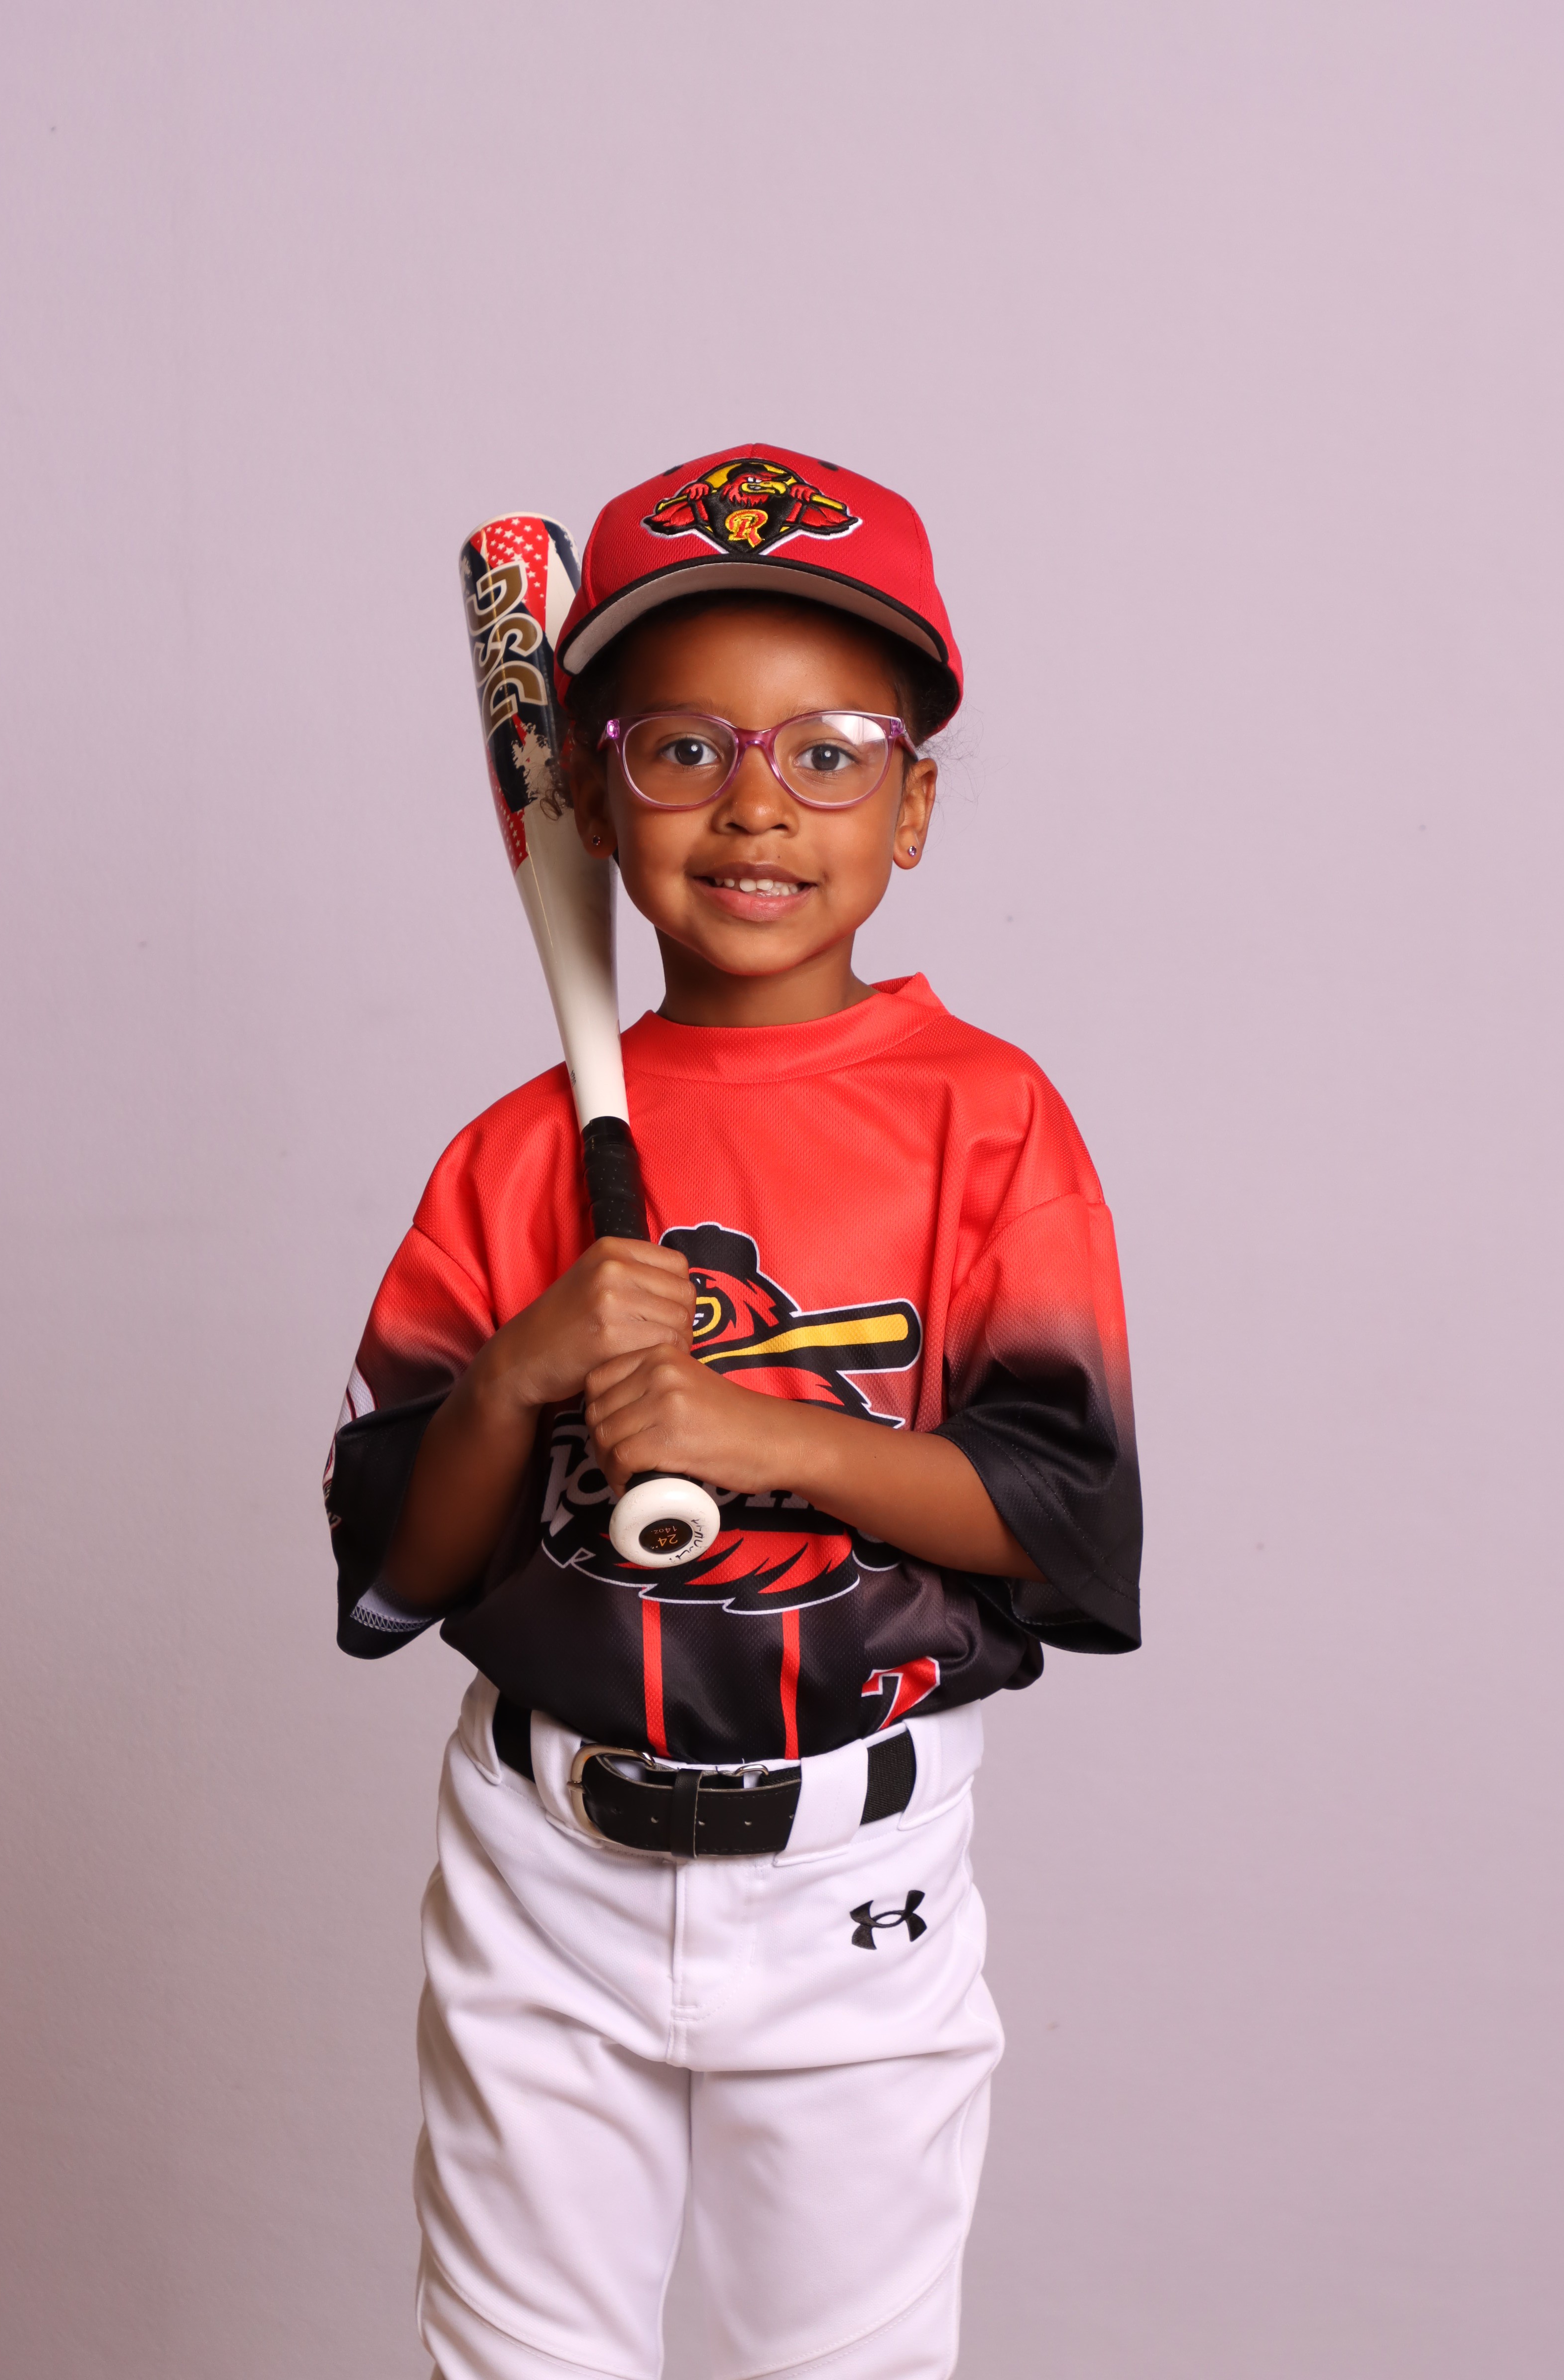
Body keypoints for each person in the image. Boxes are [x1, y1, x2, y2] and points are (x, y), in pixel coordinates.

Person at [324, 445, 1143, 2380]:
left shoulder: (987, 1120)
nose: (756, 804)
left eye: (829, 753)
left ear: (913, 804)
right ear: (589, 793)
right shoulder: (513, 1157)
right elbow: (396, 1569)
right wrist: (522, 1370)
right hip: (544, 1868)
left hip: (857, 1871)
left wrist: (762, 1438)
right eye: (680, 748)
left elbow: (1066, 1524)